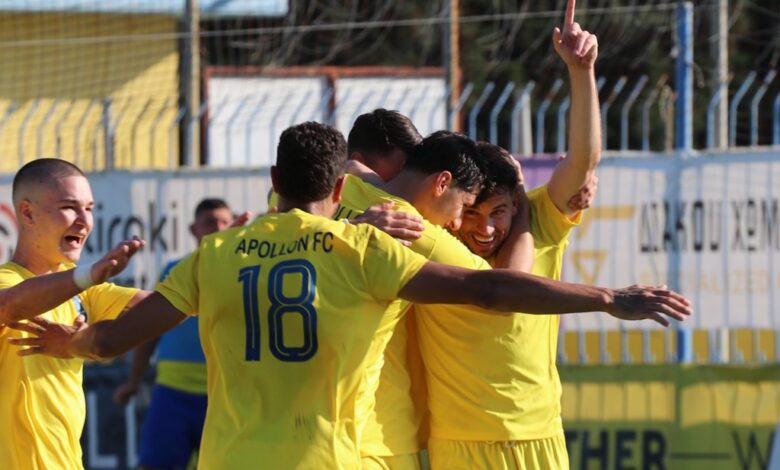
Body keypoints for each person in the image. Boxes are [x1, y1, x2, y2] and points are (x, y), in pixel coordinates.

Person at [9, 122, 691, 470]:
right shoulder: (360, 250)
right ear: (338, 189)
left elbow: (114, 338)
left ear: (273, 179)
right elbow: (487, 290)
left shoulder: (215, 254)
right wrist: (607, 298)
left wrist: (75, 342)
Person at [418, 2, 603, 467]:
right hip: (458, 443)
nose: (484, 228)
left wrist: (581, 72)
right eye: (472, 213)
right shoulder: (433, 231)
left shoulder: (539, 217)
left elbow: (582, 163)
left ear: (515, 202)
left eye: (498, 212)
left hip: (538, 438)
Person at [0, 158, 146, 469]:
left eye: (89, 208)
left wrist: (221, 259)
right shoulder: (8, 280)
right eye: (69, 207)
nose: (84, 221)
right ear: (27, 213)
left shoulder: (83, 290)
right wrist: (88, 275)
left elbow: (167, 305)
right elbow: (8, 305)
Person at [113, 198, 236, 470]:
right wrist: (133, 381)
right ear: (193, 229)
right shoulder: (175, 271)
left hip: (223, 396)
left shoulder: (245, 271)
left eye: (224, 222)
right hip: (172, 393)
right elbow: (149, 329)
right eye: (210, 222)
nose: (218, 228)